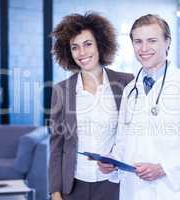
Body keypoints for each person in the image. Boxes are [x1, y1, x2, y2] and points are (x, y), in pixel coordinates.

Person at [98, 14, 180, 200]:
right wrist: (112, 163)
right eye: (138, 41)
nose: (144, 48)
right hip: (132, 191)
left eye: (152, 40)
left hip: (170, 192)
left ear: (167, 42)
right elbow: (123, 142)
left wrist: (164, 168)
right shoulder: (130, 90)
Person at [49, 12, 134, 200]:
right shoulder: (61, 90)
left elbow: (135, 134)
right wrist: (55, 192)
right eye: (75, 47)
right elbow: (56, 145)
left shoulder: (127, 83)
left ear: (100, 45)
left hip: (114, 184)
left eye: (88, 44)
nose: (82, 53)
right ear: (68, 52)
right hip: (73, 186)